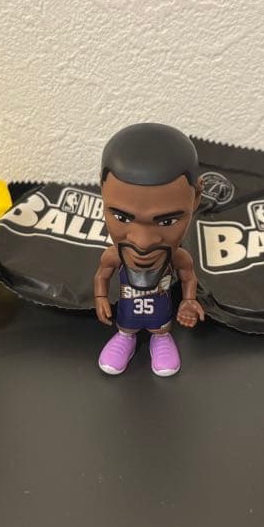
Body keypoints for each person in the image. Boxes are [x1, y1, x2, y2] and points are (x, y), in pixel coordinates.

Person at [93, 123, 205, 377]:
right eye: (122, 218)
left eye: (167, 222)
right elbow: (102, 275)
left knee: (160, 328)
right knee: (126, 327)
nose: (143, 243)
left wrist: (189, 301)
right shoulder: (113, 256)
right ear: (102, 190)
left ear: (196, 197)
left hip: (160, 318)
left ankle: (161, 340)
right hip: (127, 317)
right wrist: (100, 298)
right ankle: (125, 337)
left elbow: (188, 276)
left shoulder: (178, 258)